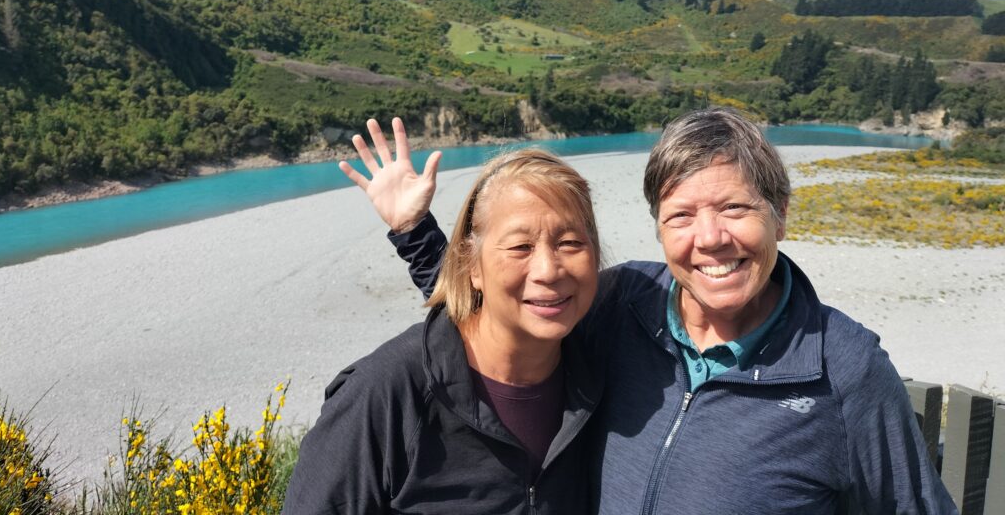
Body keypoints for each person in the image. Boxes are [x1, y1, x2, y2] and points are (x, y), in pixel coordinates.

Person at [362, 109, 958, 515]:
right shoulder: (622, 304)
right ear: (658, 228)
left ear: (780, 213)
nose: (711, 238)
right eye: (681, 216)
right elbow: (511, 306)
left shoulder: (843, 368)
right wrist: (414, 231)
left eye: (734, 207)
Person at [282, 122, 604, 514]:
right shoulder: (389, 392)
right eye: (520, 246)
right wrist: (412, 231)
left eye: (570, 243)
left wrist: (414, 230)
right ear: (472, 265)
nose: (549, 270)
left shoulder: (604, 370)